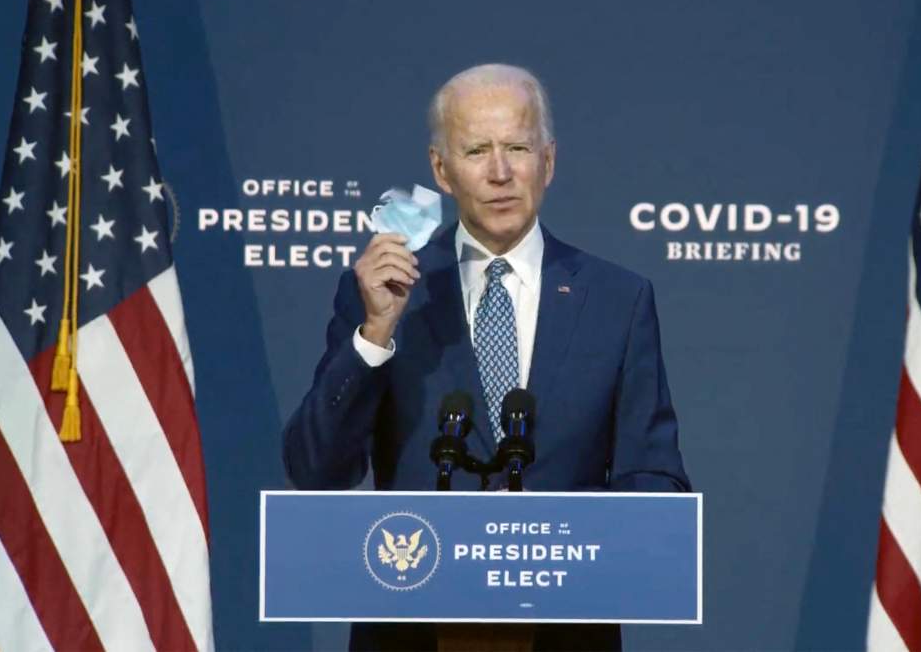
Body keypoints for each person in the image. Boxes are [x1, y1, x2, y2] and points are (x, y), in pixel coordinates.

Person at [283, 64, 689, 651]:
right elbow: (315, 471)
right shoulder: (389, 293)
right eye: (476, 151)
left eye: (517, 148)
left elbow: (656, 480)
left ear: (547, 161)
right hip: (411, 633)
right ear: (441, 171)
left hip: (564, 633)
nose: (500, 173)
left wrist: (552, 532)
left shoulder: (618, 300)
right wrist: (373, 335)